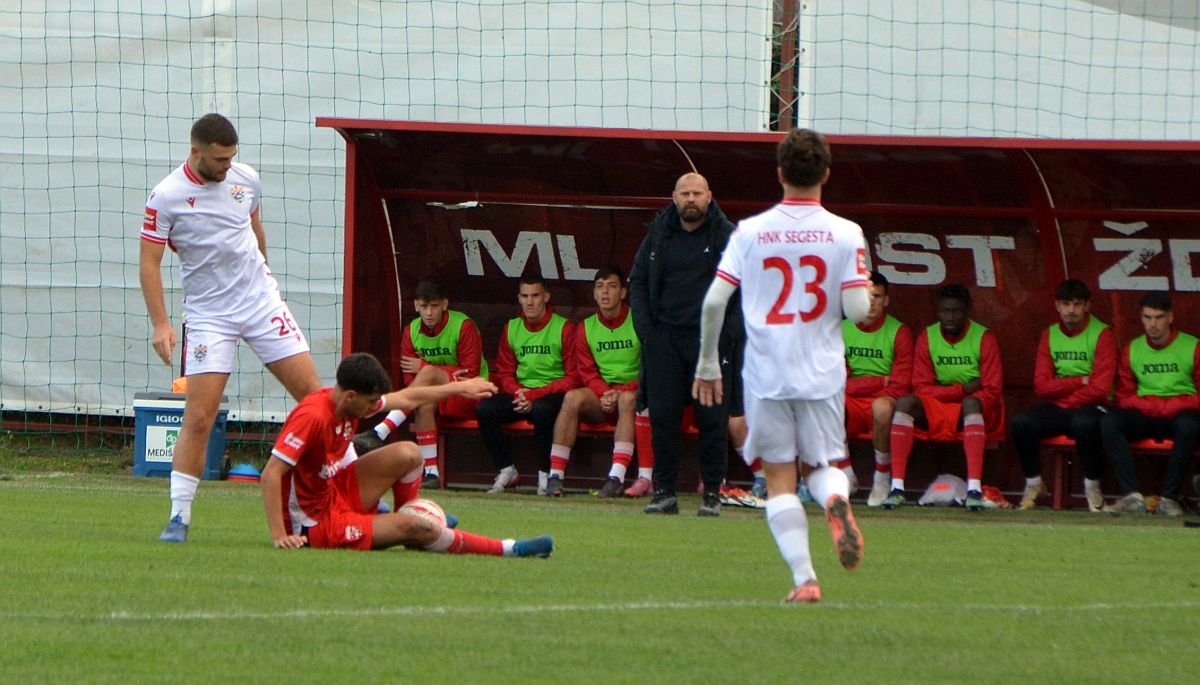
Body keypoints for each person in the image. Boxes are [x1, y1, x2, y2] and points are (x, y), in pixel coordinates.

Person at [693, 128, 870, 603]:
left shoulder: (750, 231)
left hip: (767, 373)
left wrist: (708, 363)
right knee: (822, 465)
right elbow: (858, 310)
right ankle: (835, 498)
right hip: (822, 372)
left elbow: (714, 302)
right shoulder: (846, 232)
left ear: (779, 173)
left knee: (778, 479)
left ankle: (805, 579)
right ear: (825, 174)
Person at [140, 113, 322, 543]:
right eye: (220, 160)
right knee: (200, 416)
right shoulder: (166, 196)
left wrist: (266, 278)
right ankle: (179, 516)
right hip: (209, 316)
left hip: (261, 304)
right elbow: (149, 262)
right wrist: (161, 323)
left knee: (317, 402)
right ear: (196, 152)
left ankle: (346, 488)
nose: (227, 167)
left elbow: (255, 230)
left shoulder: (246, 179)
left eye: (231, 158)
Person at [261, 352, 553, 557]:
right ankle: (510, 549)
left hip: (335, 493)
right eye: (371, 402)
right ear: (351, 396)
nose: (374, 408)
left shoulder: (347, 402)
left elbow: (407, 397)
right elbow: (271, 473)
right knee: (414, 527)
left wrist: (460, 387)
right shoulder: (313, 416)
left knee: (409, 453)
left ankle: (407, 515)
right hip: (316, 525)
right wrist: (280, 536)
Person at [629, 172, 742, 516]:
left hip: (712, 342)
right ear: (674, 197)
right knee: (663, 419)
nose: (691, 199)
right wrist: (647, 332)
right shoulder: (657, 235)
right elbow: (638, 282)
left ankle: (712, 493)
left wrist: (728, 335)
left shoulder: (728, 236)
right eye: (685, 193)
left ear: (709, 196)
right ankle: (664, 491)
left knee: (713, 420)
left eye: (697, 193)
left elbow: (748, 289)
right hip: (664, 340)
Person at [352, 280, 488, 489]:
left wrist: (426, 367)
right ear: (416, 306)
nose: (429, 313)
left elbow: (470, 375)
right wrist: (435, 373)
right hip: (437, 395)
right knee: (423, 402)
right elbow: (411, 382)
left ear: (444, 305)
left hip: (470, 396)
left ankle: (380, 431)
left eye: (434, 306)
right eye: (424, 306)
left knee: (427, 374)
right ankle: (431, 473)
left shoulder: (463, 326)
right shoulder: (411, 331)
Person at [881, 284, 1004, 511]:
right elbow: (920, 387)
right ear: (938, 311)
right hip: (940, 403)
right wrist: (962, 389)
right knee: (906, 402)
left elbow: (992, 389)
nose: (950, 317)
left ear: (966, 311)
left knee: (972, 402)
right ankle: (896, 488)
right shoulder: (927, 336)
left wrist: (964, 394)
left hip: (972, 408)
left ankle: (974, 490)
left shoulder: (984, 337)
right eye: (945, 311)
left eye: (956, 311)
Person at [1009, 279, 1116, 511]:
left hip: (1094, 405)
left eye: (1077, 304)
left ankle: (1093, 488)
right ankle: (1034, 484)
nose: (1071, 310)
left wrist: (1067, 396)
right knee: (1022, 422)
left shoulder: (1103, 333)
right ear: (1057, 306)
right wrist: (1078, 381)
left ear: (1087, 306)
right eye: (1066, 304)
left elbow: (1100, 388)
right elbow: (1041, 386)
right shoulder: (1049, 334)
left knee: (1084, 423)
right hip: (1061, 405)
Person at [549, 267, 654, 498]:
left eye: (612, 286)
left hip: (634, 397)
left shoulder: (638, 321)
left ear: (623, 292)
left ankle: (616, 476)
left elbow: (649, 367)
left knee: (627, 400)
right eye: (600, 287)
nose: (605, 292)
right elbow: (586, 371)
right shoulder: (586, 327)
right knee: (572, 397)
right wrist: (605, 392)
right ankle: (555, 476)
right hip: (603, 397)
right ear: (594, 294)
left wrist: (621, 391)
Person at [1099, 291, 1200, 516]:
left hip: (1181, 413)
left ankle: (1170, 499)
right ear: (1142, 318)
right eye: (1148, 317)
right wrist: (1151, 406)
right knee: (1110, 422)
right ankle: (1132, 497)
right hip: (1146, 412)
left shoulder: (1193, 346)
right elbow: (1123, 395)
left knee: (1190, 425)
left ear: (1170, 317)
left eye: (1159, 317)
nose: (1153, 324)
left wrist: (1171, 406)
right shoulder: (1133, 348)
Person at [476, 275, 578, 495]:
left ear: (546, 297)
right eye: (525, 296)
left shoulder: (564, 327)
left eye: (535, 296)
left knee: (542, 410)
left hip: (552, 394)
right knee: (485, 409)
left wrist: (535, 395)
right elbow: (504, 372)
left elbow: (572, 377)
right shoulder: (512, 327)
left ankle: (545, 475)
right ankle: (507, 470)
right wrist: (519, 392)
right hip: (521, 394)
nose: (530, 302)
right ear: (519, 298)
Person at [842, 270, 913, 507]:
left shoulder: (899, 332)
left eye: (877, 296)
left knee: (882, 408)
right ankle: (846, 474)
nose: (871, 302)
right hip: (851, 400)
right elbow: (837, 381)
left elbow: (900, 384)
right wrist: (880, 380)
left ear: (886, 300)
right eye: (866, 297)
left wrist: (877, 387)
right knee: (829, 404)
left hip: (883, 400)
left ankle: (882, 478)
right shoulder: (842, 329)